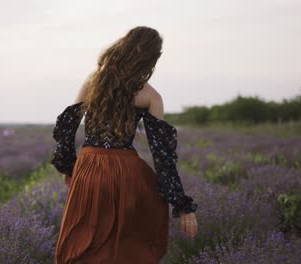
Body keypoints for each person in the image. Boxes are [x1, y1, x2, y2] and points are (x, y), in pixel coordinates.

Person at [51, 26, 198, 264]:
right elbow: (162, 157)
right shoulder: (151, 96)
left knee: (82, 241)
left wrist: (69, 168)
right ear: (151, 58)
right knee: (125, 246)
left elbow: (67, 129)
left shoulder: (93, 82)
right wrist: (183, 206)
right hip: (127, 173)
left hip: (89, 168)